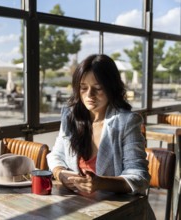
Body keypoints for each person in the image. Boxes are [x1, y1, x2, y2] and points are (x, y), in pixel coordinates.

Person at [47, 54, 154, 217]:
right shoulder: (71, 116)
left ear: (112, 88)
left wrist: (101, 183)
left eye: (98, 88)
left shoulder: (126, 122)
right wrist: (60, 173)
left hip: (118, 213)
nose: (89, 95)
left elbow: (140, 177)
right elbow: (56, 154)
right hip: (76, 208)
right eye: (83, 87)